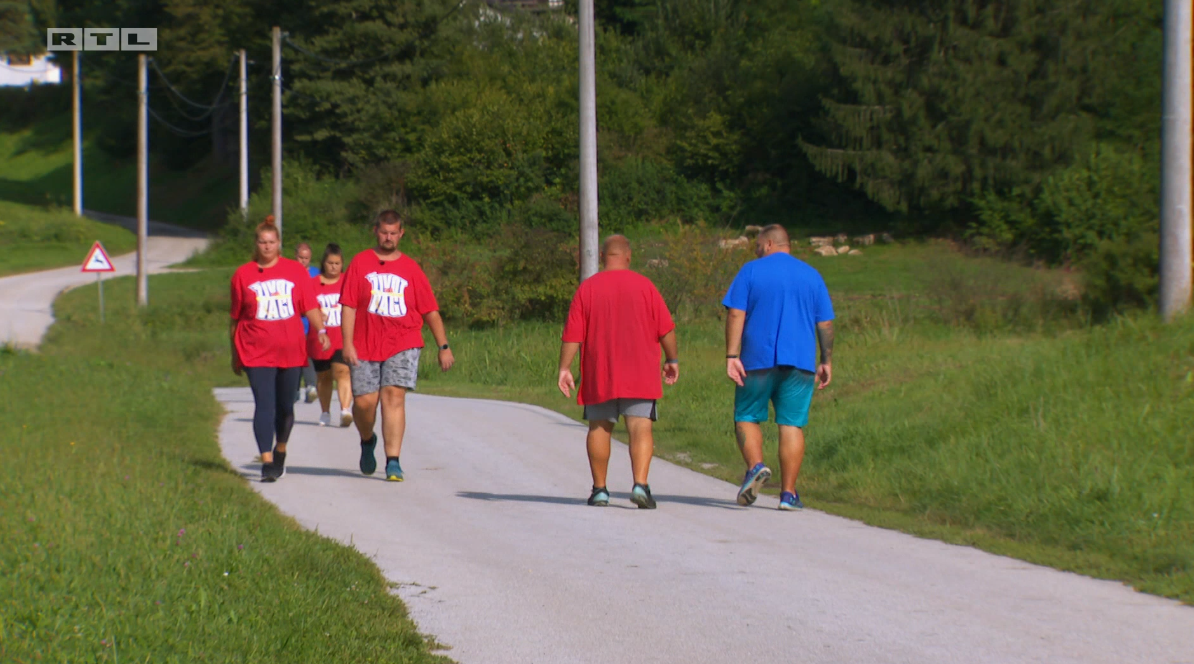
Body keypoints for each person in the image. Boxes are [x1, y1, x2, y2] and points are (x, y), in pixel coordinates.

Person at [558, 235, 678, 509]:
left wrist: (564, 368)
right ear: (629, 256)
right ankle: (640, 485)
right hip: (640, 373)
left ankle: (600, 490)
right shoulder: (646, 286)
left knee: (599, 428)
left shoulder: (587, 289)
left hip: (600, 372)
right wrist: (673, 359)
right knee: (640, 428)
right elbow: (666, 329)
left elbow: (573, 336)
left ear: (602, 257)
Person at [723, 224, 834, 510]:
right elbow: (825, 323)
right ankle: (788, 494)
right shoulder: (812, 275)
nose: (757, 251)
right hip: (800, 362)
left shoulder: (751, 270)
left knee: (747, 414)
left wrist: (732, 355)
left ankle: (756, 466)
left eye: (759, 245)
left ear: (770, 244)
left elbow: (736, 312)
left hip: (757, 360)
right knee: (792, 424)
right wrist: (826, 360)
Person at [340, 210, 454, 482]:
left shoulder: (411, 268)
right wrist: (347, 343)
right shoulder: (360, 263)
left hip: (402, 341)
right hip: (365, 343)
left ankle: (393, 461)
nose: (388, 238)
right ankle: (367, 440)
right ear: (375, 231)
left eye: (394, 233)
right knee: (365, 403)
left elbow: (430, 311)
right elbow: (348, 306)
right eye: (384, 232)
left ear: (401, 234)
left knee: (393, 395)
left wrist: (444, 346)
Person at [230, 216, 330, 482]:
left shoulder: (295, 272)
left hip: (290, 350)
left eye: (271, 242)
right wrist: (235, 354)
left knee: (286, 406)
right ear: (256, 244)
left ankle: (281, 448)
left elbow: (310, 306)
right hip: (255, 350)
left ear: (279, 244)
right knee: (264, 404)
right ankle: (266, 460)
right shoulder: (243, 274)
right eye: (262, 242)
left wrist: (321, 331)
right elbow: (236, 318)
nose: (267, 246)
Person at [309, 243, 354, 427]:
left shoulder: (348, 282)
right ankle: (325, 411)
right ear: (324, 263)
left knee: (342, 371)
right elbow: (306, 306)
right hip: (320, 338)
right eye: (330, 263)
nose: (333, 267)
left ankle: (345, 410)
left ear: (342, 264)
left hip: (342, 336)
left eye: (337, 263)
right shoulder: (313, 284)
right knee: (324, 376)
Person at [295, 242, 321, 404]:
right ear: (295, 256)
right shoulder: (289, 272)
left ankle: (311, 386)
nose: (303, 261)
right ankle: (294, 389)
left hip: (310, 322)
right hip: (294, 322)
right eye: (300, 257)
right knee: (295, 356)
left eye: (306, 258)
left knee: (309, 354)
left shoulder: (316, 274)